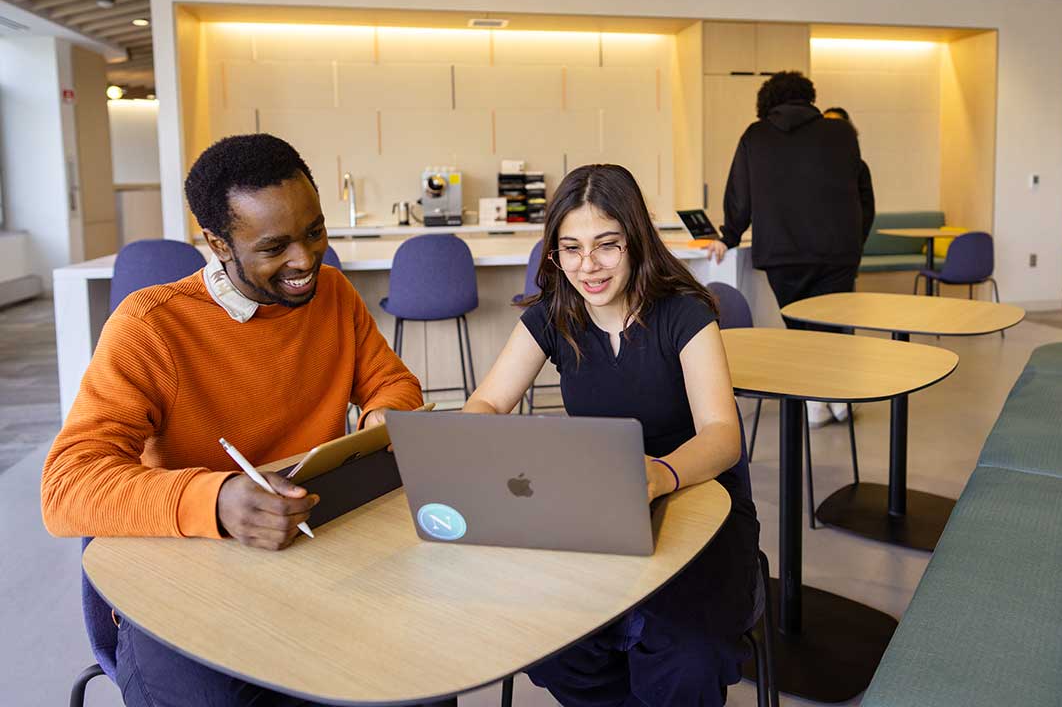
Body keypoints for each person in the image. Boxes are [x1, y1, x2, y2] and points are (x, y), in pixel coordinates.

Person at [41, 134, 427, 707]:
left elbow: (391, 383)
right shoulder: (150, 327)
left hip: (314, 550)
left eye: (314, 231)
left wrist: (384, 419)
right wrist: (217, 501)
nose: (305, 260)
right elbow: (66, 488)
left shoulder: (334, 295)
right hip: (185, 579)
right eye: (275, 247)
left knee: (413, 683)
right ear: (218, 242)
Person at [464, 164, 760, 706]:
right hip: (601, 507)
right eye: (570, 249)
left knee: (686, 655)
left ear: (635, 241)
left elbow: (722, 435)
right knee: (554, 645)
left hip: (700, 501)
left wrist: (661, 473)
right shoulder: (555, 315)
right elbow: (488, 400)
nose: (587, 266)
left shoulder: (684, 313)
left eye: (606, 246)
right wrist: (468, 437)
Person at [707, 73, 875, 425]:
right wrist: (855, 242)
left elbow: (740, 193)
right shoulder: (841, 133)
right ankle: (837, 397)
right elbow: (863, 192)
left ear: (766, 102)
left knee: (799, 327)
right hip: (837, 252)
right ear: (810, 97)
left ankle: (815, 401)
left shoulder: (756, 136)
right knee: (834, 327)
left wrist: (729, 236)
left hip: (783, 254)